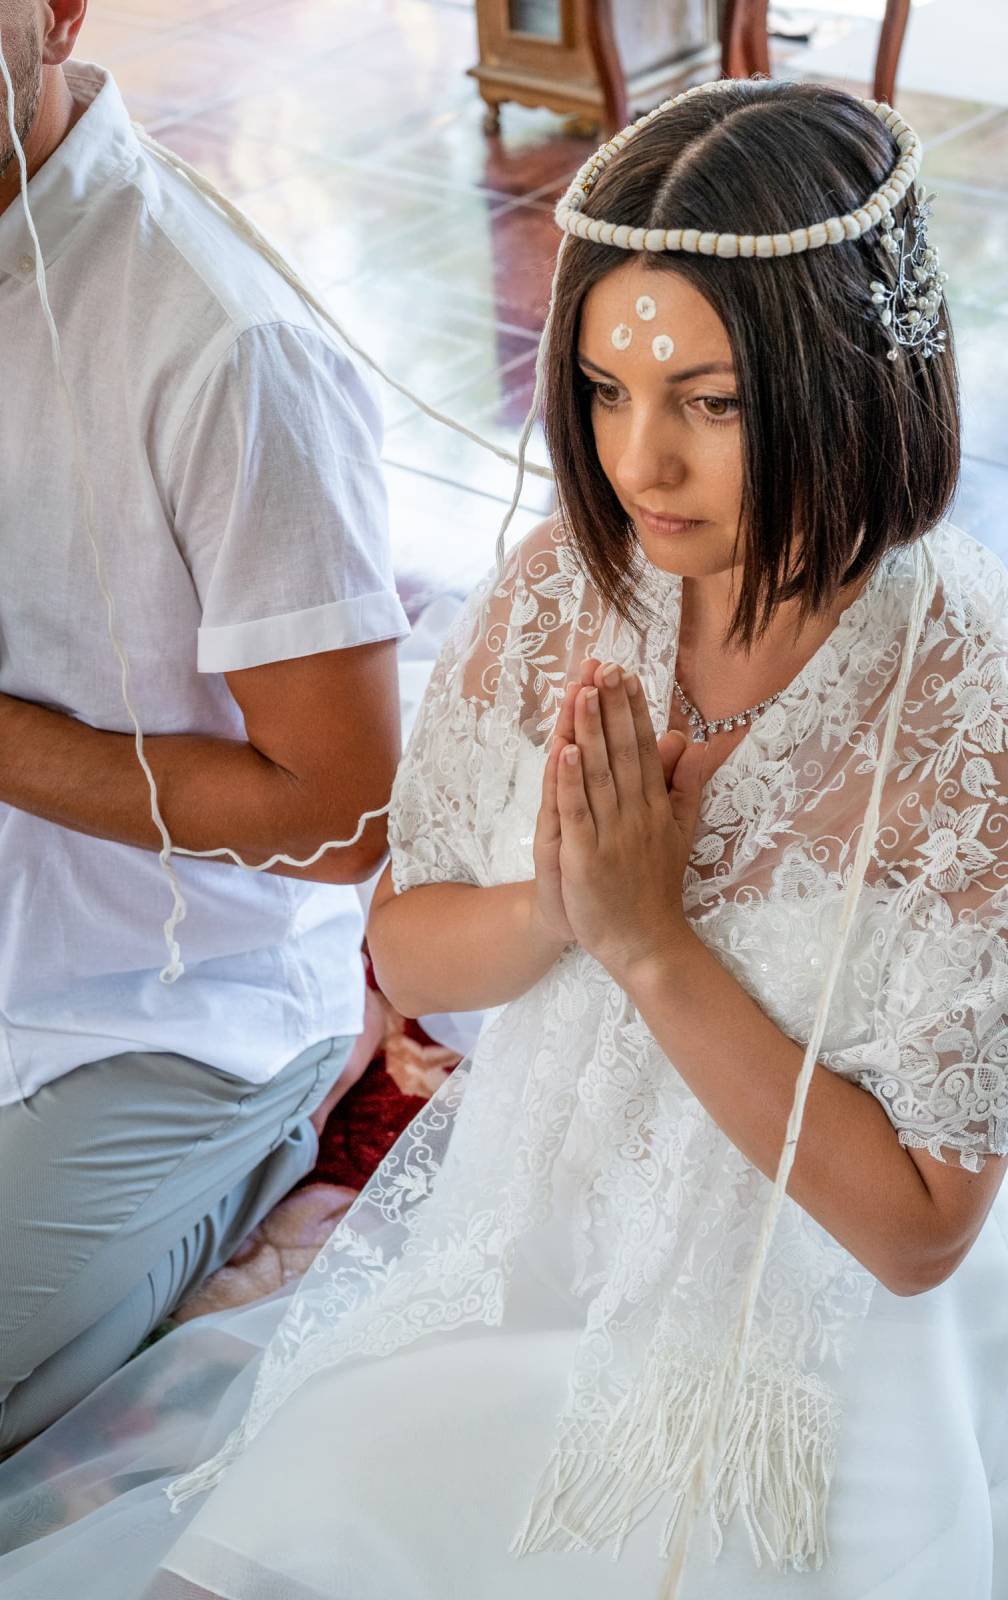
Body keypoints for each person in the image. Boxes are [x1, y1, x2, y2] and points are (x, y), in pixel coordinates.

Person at [1, 76, 1008, 1600]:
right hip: (551, 1232)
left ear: (851, 379)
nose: (641, 465)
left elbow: (917, 1237)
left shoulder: (979, 733)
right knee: (286, 1537)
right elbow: (402, 943)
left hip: (811, 1342)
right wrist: (558, 912)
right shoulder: (576, 584)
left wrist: (652, 945)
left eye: (710, 403)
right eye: (606, 391)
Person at [0, 0, 409, 1455]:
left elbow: (345, 816)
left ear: (56, 13)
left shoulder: (225, 344)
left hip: (165, 1010)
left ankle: (272, 1141)